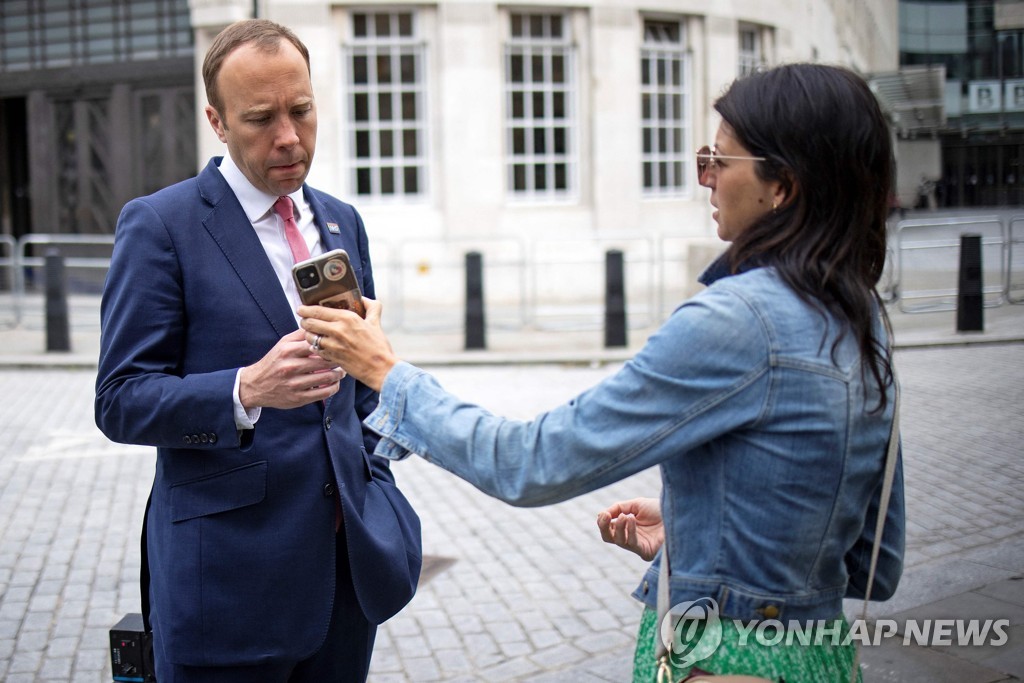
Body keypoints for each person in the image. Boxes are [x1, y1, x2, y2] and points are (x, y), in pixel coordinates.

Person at [298, 63, 905, 682]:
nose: (706, 180)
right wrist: (700, 531)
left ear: (785, 186)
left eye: (720, 161)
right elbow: (872, 562)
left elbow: (529, 462)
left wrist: (386, 371)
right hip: (820, 658)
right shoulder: (859, 314)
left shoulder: (738, 321)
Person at [94, 19, 421, 683]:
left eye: (301, 111)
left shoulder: (340, 220)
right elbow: (120, 399)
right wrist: (245, 388)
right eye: (261, 118)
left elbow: (357, 394)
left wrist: (382, 445)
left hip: (345, 576)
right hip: (229, 587)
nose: (289, 138)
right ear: (216, 120)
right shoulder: (161, 225)